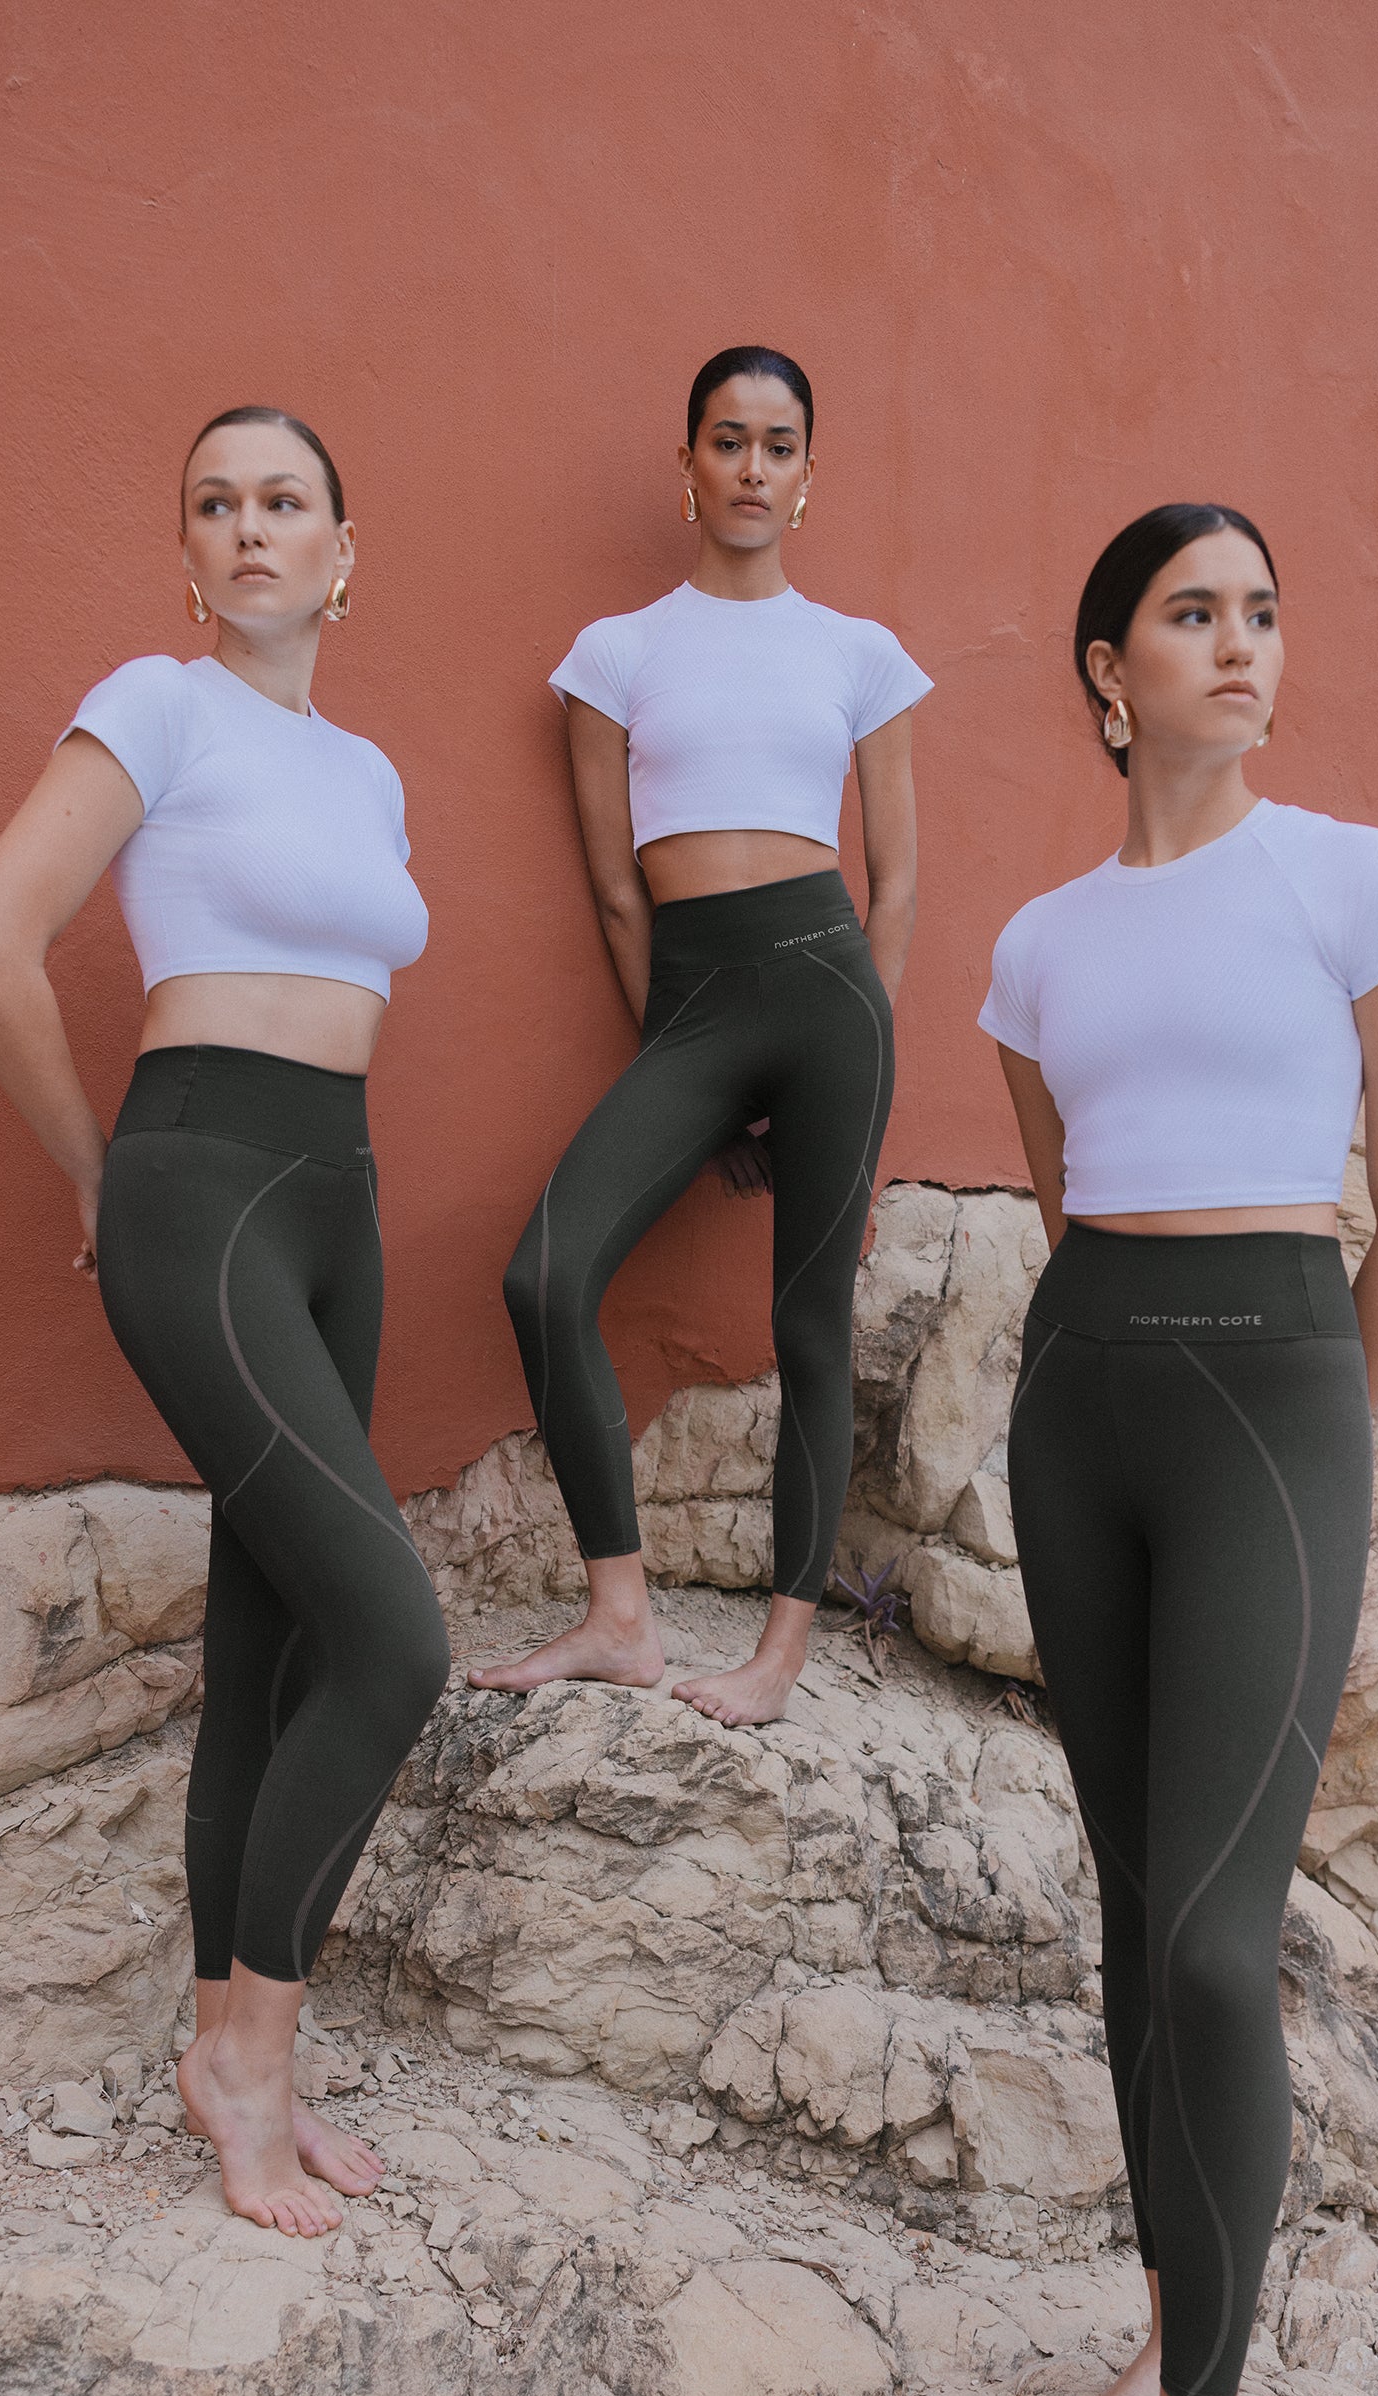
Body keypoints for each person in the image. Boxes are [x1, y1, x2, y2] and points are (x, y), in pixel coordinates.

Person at [982, 503, 1378, 2396]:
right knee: (1124, 1910)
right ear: (1107, 671)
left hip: (1275, 1400)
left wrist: (1309, 1440)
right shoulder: (1036, 943)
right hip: (1082, 1400)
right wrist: (1141, 1376)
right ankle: (1173, 2307)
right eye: (1193, 614)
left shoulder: (1357, 883)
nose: (1242, 643)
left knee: (1209, 1933)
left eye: (1265, 607)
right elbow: (1066, 1189)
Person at [0, 405, 451, 2237]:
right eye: (215, 505)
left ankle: (245, 2051)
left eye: (286, 501)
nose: (252, 529)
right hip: (198, 1185)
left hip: (340, 1198)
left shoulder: (371, 772)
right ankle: (241, 2051)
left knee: (285, 1645)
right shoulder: (153, 705)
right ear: (187, 557)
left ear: (341, 552)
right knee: (396, 1639)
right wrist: (97, 1174)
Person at [469, 344, 929, 1726]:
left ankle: (780, 1658)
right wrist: (684, 1062)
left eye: (777, 445)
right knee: (543, 1276)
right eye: (725, 441)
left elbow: (895, 881)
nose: (749, 468)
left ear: (806, 475)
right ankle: (621, 1613)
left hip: (832, 991)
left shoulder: (862, 654)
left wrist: (862, 1040)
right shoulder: (615, 655)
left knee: (809, 1322)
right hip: (693, 1000)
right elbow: (617, 887)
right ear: (687, 466)